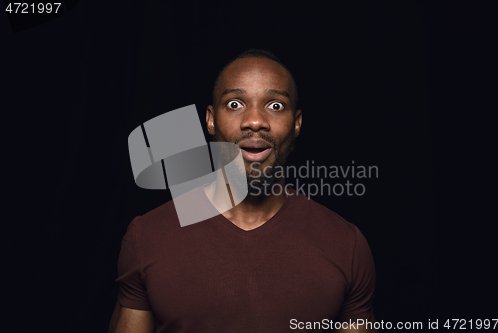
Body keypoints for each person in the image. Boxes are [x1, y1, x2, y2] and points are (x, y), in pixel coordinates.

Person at [108, 49, 377, 333]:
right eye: (235, 104)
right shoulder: (147, 235)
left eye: (275, 105)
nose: (255, 121)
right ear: (210, 120)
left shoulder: (346, 245)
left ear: (297, 123)